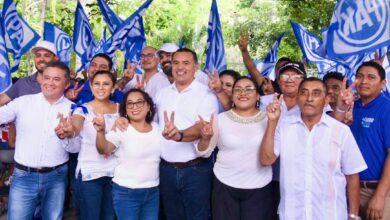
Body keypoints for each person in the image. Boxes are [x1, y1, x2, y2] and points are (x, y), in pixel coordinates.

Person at [260, 77, 367, 220]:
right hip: (293, 214)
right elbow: (266, 160)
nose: (309, 98)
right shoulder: (283, 127)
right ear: (298, 98)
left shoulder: (341, 131)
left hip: (331, 214)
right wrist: (272, 122)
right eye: (304, 93)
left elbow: (352, 176)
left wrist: (353, 215)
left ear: (326, 100)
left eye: (316, 93)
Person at [0, 61, 80, 219]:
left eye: (56, 79)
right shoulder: (23, 102)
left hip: (56, 177)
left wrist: (66, 136)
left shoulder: (73, 109)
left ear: (66, 84)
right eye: (46, 78)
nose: (50, 82)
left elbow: (75, 149)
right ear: (41, 79)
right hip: (24, 176)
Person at [197, 76, 274, 219]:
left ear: (258, 96)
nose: (243, 93)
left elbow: (271, 156)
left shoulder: (270, 118)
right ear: (232, 96)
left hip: (259, 186)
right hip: (224, 185)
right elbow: (204, 152)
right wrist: (205, 138)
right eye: (238, 90)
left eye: (248, 89)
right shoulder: (220, 118)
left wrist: (272, 121)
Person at [156, 48, 218, 219]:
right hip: (166, 169)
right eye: (176, 62)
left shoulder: (206, 94)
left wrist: (179, 135)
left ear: (195, 67)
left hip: (195, 170)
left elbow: (202, 127)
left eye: (186, 63)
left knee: (198, 216)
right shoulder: (162, 94)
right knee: (172, 215)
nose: (180, 67)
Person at [94, 89, 161, 220]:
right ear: (125, 109)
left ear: (148, 106)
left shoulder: (158, 129)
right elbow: (104, 149)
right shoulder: (122, 128)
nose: (134, 106)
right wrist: (101, 132)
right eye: (130, 103)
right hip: (126, 193)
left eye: (139, 102)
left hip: (152, 191)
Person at [67, 71, 119, 220]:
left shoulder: (121, 109)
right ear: (91, 86)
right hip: (90, 175)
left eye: (106, 84)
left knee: (109, 217)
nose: (101, 87)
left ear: (113, 87)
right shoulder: (82, 109)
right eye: (97, 83)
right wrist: (69, 131)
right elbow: (75, 128)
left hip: (116, 174)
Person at [350, 61, 390, 220]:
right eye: (359, 76)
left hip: (379, 191)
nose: (364, 81)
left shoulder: (386, 109)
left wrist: (380, 195)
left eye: (371, 77)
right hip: (351, 189)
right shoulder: (351, 106)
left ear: (383, 84)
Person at [0, 41, 58, 106]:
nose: (41, 59)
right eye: (38, 55)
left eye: (47, 55)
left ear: (55, 59)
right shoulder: (23, 83)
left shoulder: (64, 84)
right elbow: (2, 100)